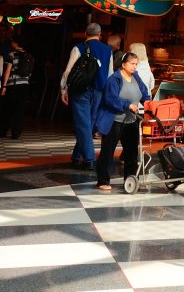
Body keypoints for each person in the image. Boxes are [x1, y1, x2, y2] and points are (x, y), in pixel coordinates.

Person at [95, 51, 151, 192]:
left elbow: (144, 93)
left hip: (131, 121)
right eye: (132, 64)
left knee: (131, 153)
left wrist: (149, 104)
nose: (134, 67)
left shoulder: (136, 77)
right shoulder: (114, 79)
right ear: (123, 64)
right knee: (108, 152)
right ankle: (102, 181)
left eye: (136, 64)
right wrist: (127, 105)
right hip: (114, 121)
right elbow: (110, 99)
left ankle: (130, 179)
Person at [60, 23, 114, 169]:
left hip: (80, 90)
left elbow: (68, 71)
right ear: (100, 34)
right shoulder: (108, 50)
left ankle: (89, 158)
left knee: (83, 123)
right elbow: (110, 74)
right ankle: (77, 156)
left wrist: (63, 89)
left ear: (85, 33)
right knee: (88, 123)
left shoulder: (79, 48)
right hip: (100, 90)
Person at [0, 31, 35, 139]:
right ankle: (16, 133)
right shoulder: (30, 56)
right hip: (25, 85)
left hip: (13, 85)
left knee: (7, 109)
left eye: (13, 42)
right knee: (19, 110)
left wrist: (4, 86)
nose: (11, 44)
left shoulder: (11, 54)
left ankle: (3, 131)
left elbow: (8, 71)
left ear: (16, 43)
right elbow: (30, 72)